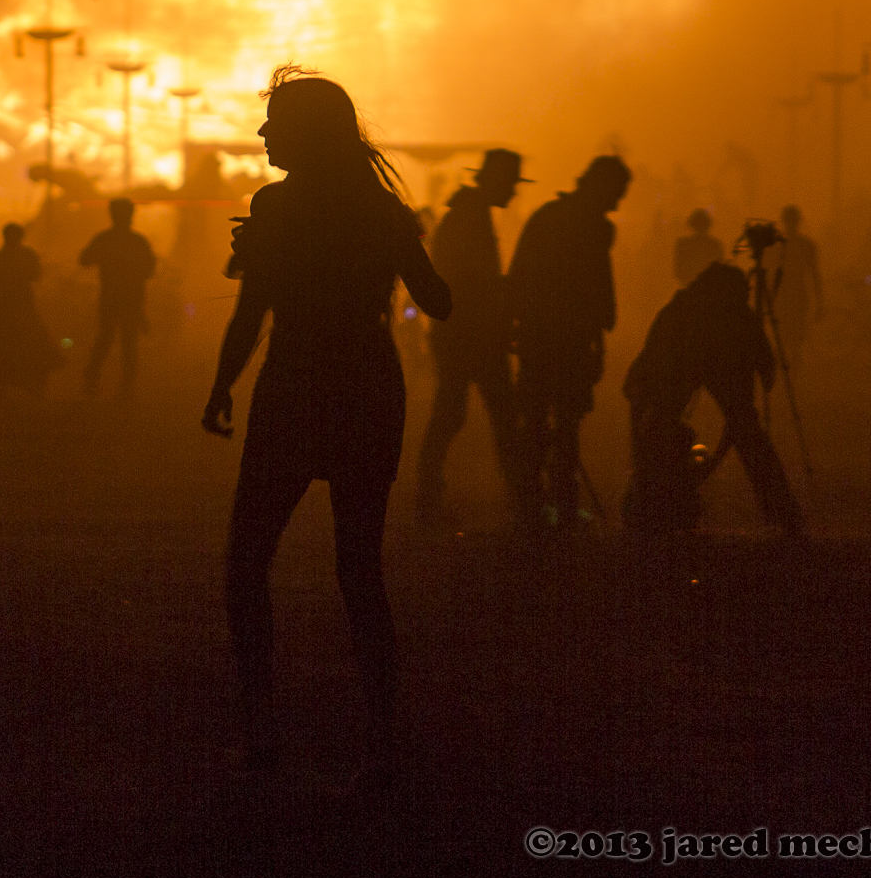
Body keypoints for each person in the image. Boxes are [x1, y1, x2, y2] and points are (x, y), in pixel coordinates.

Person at [201, 66, 451, 781]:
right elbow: (438, 302)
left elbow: (253, 311)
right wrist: (410, 248)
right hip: (370, 391)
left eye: (273, 122)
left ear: (303, 134)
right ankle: (381, 734)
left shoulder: (275, 208)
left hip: (295, 390)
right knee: (359, 570)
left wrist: (221, 386)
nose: (262, 133)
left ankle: (260, 729)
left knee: (247, 563)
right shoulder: (382, 211)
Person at [623, 261, 802, 536]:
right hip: (707, 361)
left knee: (665, 424)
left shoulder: (679, 311)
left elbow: (648, 368)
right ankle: (781, 510)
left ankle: (657, 498)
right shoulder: (731, 314)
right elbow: (764, 363)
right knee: (746, 431)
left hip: (684, 364)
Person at [507, 153, 631, 529]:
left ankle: (532, 505)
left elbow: (518, 275)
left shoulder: (548, 217)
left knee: (538, 423)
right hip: (567, 341)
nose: (617, 202)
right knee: (566, 426)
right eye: (616, 192)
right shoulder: (595, 228)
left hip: (539, 339)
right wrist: (599, 336)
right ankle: (560, 504)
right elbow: (597, 288)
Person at [414, 148, 526, 525]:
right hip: (469, 334)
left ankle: (429, 491)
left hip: (460, 332)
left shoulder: (468, 215)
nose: (513, 193)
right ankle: (522, 497)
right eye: (510, 184)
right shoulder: (470, 219)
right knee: (495, 415)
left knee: (455, 411)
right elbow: (475, 283)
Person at [0, 223, 62, 394]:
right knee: (27, 338)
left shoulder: (1, 256)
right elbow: (35, 275)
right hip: (20, 303)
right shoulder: (26, 255)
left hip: (1, 304)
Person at [78, 199, 156, 397]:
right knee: (127, 341)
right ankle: (124, 386)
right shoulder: (137, 241)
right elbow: (149, 271)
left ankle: (93, 379)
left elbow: (84, 260)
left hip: (111, 296)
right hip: (129, 297)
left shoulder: (105, 239)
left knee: (107, 338)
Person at [774, 206, 824, 372]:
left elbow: (815, 274)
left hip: (793, 295)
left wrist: (820, 301)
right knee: (787, 338)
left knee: (792, 338)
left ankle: (791, 375)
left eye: (792, 221)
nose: (791, 225)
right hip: (785, 295)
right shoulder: (778, 244)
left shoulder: (804, 245)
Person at [672, 206, 722, 287]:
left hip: (690, 288)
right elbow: (720, 271)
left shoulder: (683, 244)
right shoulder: (715, 244)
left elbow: (678, 271)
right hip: (709, 289)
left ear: (691, 224)